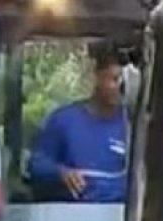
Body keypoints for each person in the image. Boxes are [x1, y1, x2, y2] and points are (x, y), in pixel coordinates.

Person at [27, 45, 128, 203]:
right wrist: (61, 173)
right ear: (96, 77)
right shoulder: (64, 120)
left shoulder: (134, 126)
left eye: (126, 82)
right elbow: (36, 165)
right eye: (115, 80)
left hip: (121, 212)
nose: (121, 88)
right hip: (74, 212)